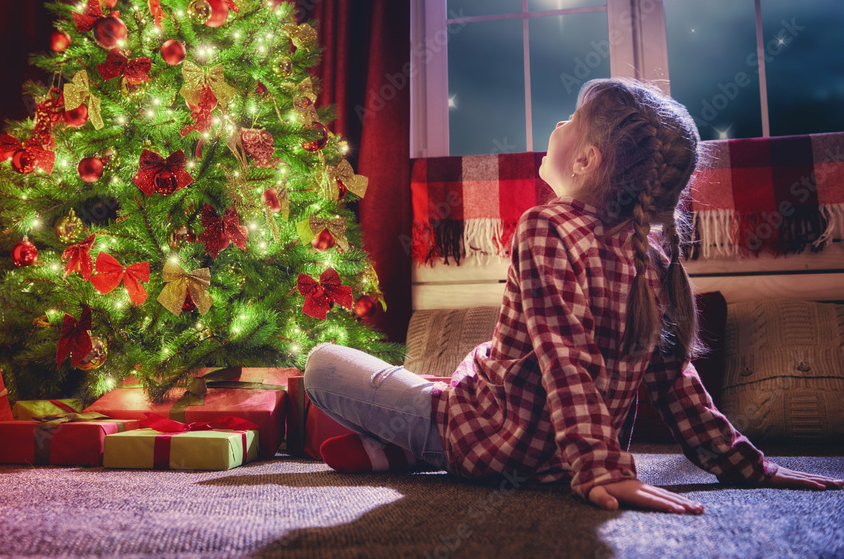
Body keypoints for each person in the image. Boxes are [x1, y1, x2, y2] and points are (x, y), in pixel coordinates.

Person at [304, 77, 843, 513]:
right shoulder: (650, 257)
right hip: (555, 452)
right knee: (451, 377)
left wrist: (601, 469)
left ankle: (414, 445)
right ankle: (394, 450)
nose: (557, 124)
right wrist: (748, 465)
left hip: (483, 437)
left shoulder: (547, 226)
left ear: (586, 160)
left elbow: (566, 358)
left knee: (322, 365)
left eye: (569, 120)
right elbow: (675, 384)